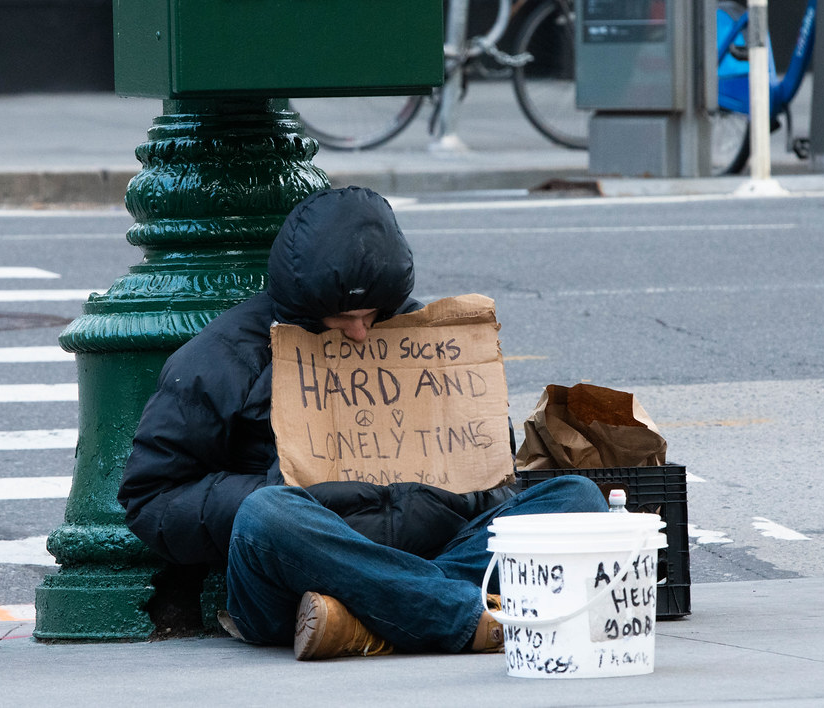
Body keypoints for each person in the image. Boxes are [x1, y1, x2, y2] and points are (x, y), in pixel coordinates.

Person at [118, 186, 607, 660]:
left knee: (575, 499)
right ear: (304, 302)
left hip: (438, 549)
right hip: (303, 572)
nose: (358, 331)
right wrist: (278, 485)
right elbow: (152, 498)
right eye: (341, 317)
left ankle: (358, 619)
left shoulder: (428, 340)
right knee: (267, 514)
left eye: (371, 314)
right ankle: (452, 613)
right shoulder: (224, 356)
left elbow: (492, 467)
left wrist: (462, 486)